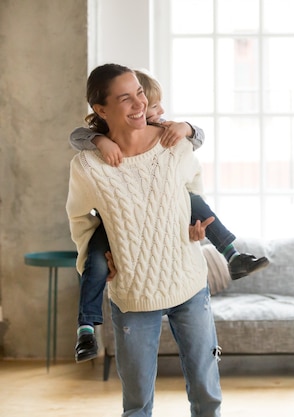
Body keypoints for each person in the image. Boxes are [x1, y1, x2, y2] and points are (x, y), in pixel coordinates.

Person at [69, 69, 268, 363]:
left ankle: (232, 255)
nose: (156, 111)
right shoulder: (92, 153)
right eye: (151, 105)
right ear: (104, 110)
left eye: (144, 99)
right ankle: (86, 328)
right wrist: (100, 140)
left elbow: (196, 144)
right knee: (95, 262)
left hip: (180, 263)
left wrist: (186, 126)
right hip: (113, 226)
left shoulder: (166, 136)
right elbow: (78, 136)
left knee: (193, 201)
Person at [66, 63, 222, 416]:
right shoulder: (87, 166)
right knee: (136, 402)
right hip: (132, 292)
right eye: (125, 98)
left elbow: (193, 191)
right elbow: (79, 219)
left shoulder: (175, 146)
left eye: (139, 92)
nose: (139, 103)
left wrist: (193, 226)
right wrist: (94, 257)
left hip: (188, 281)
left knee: (206, 391)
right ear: (101, 110)